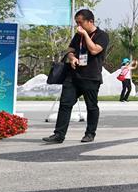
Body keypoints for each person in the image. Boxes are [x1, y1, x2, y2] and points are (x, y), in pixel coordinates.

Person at [43, 9, 110, 144]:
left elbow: (94, 50)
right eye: (76, 23)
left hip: (91, 77)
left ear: (90, 21)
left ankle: (90, 134)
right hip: (73, 76)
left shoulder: (102, 35)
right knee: (65, 104)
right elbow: (70, 51)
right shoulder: (77, 36)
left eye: (80, 23)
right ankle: (59, 135)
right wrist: (72, 58)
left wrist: (85, 34)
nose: (78, 26)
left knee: (91, 106)